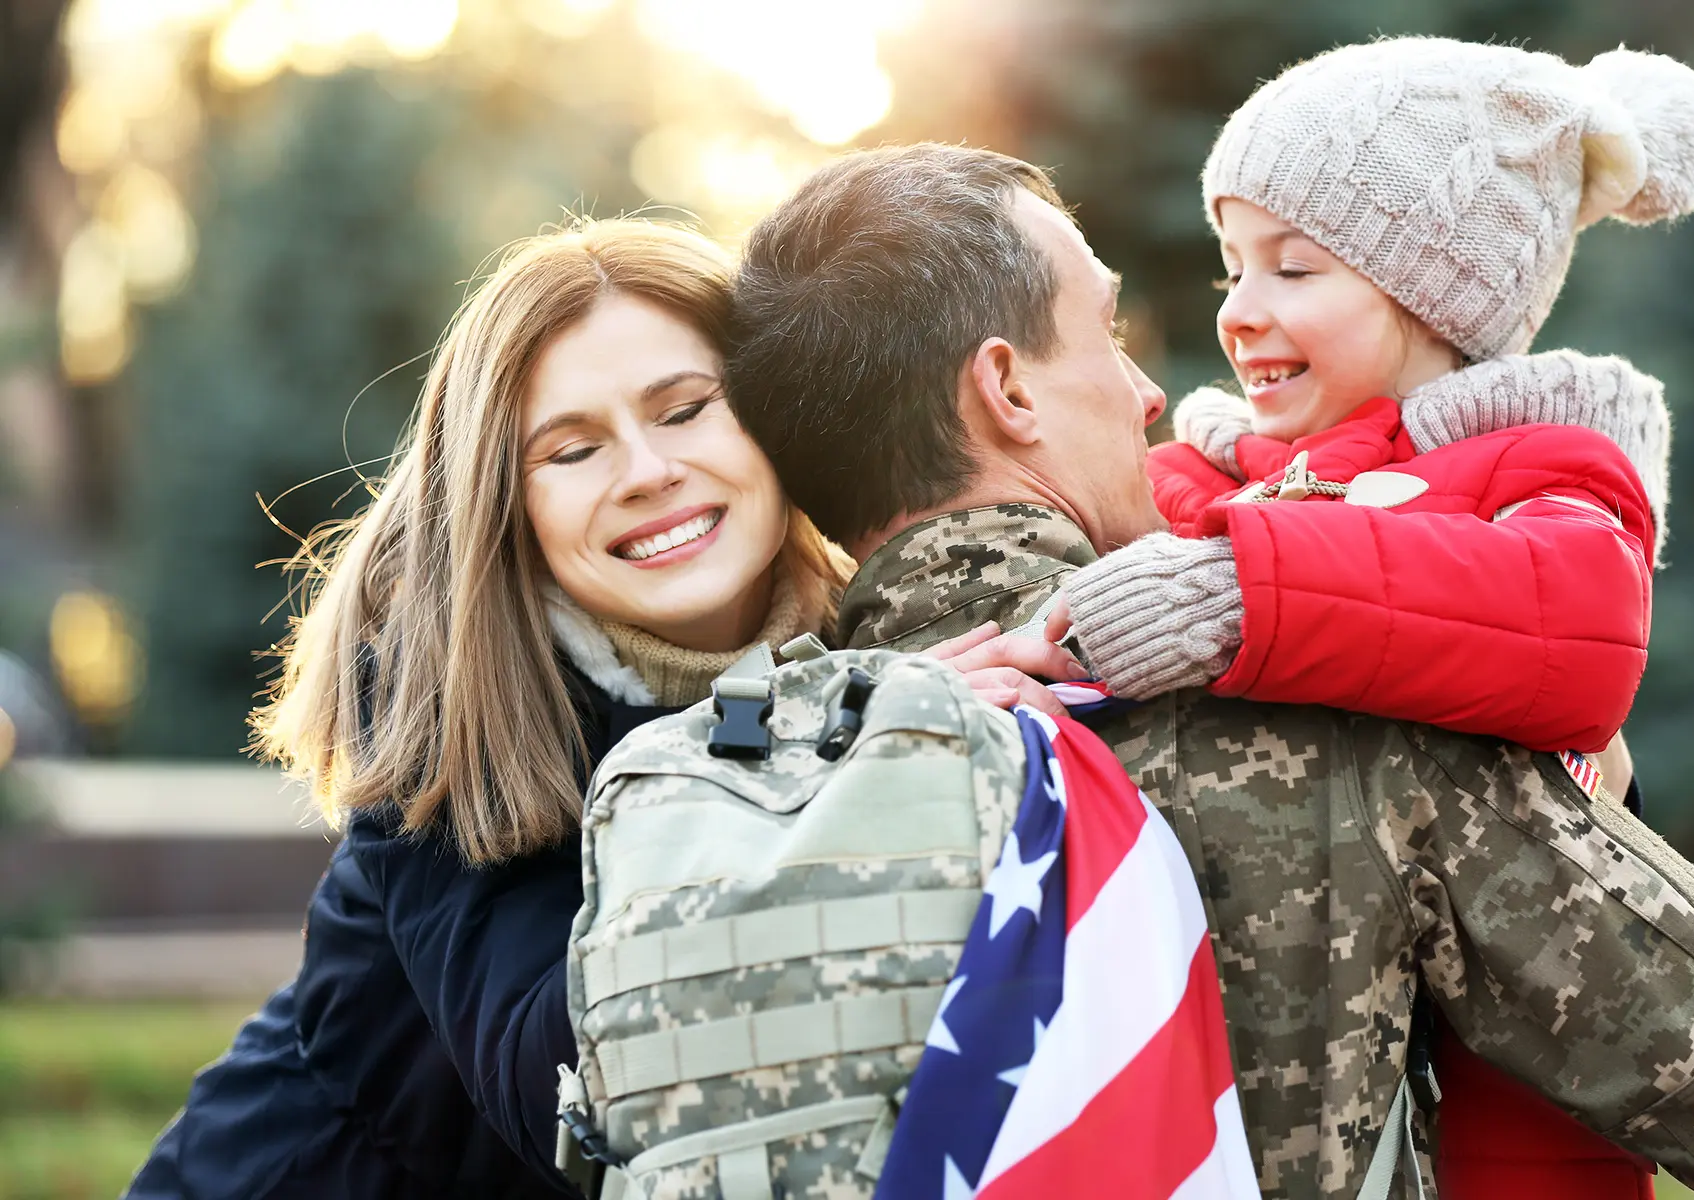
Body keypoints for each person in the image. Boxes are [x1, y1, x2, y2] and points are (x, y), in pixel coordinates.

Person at [723, 142, 1694, 1199]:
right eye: (1107, 334)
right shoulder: (1323, 698)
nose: (1148, 392)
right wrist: (1589, 776)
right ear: (1008, 391)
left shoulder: (745, 757)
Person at [127, 218, 1070, 1199]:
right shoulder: (442, 707)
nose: (646, 472)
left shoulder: (864, 646)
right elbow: (569, 1082)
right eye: (572, 451)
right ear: (506, 501)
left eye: (687, 409)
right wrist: (846, 744)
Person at [1040, 39, 1694, 1197]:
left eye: (1293, 270)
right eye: (1230, 270)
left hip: (1487, 1130)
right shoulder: (1192, 481)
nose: (1242, 314)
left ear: (1436, 285)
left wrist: (1234, 594)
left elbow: (1577, 624)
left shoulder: (1546, 471)